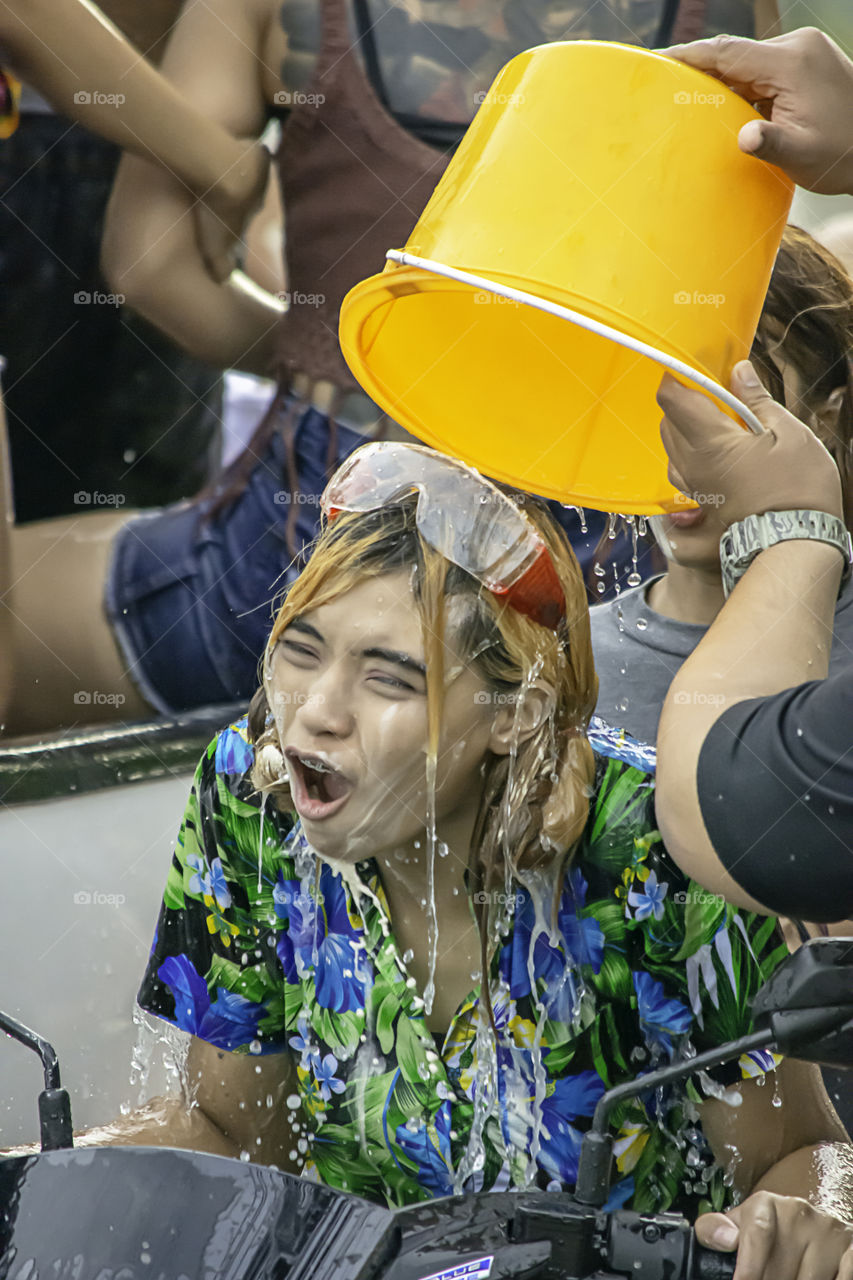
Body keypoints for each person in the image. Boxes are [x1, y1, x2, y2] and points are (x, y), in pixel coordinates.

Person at [62, 443, 853, 1279]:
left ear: (513, 715)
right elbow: (230, 1136)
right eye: (301, 650)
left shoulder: (650, 844)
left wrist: (813, 1216)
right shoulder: (251, 798)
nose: (317, 712)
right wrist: (49, 1178)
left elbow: (802, 1153)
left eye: (389, 680)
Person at [653, 25, 853, 922]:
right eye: (662, 406)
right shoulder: (558, 650)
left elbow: (747, 815)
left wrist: (791, 529)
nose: (687, 456)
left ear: (831, 416)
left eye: (736, 408)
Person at [591, 225, 853, 745]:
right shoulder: (566, 657)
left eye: (723, 405)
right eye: (656, 397)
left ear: (826, 416)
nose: (682, 446)